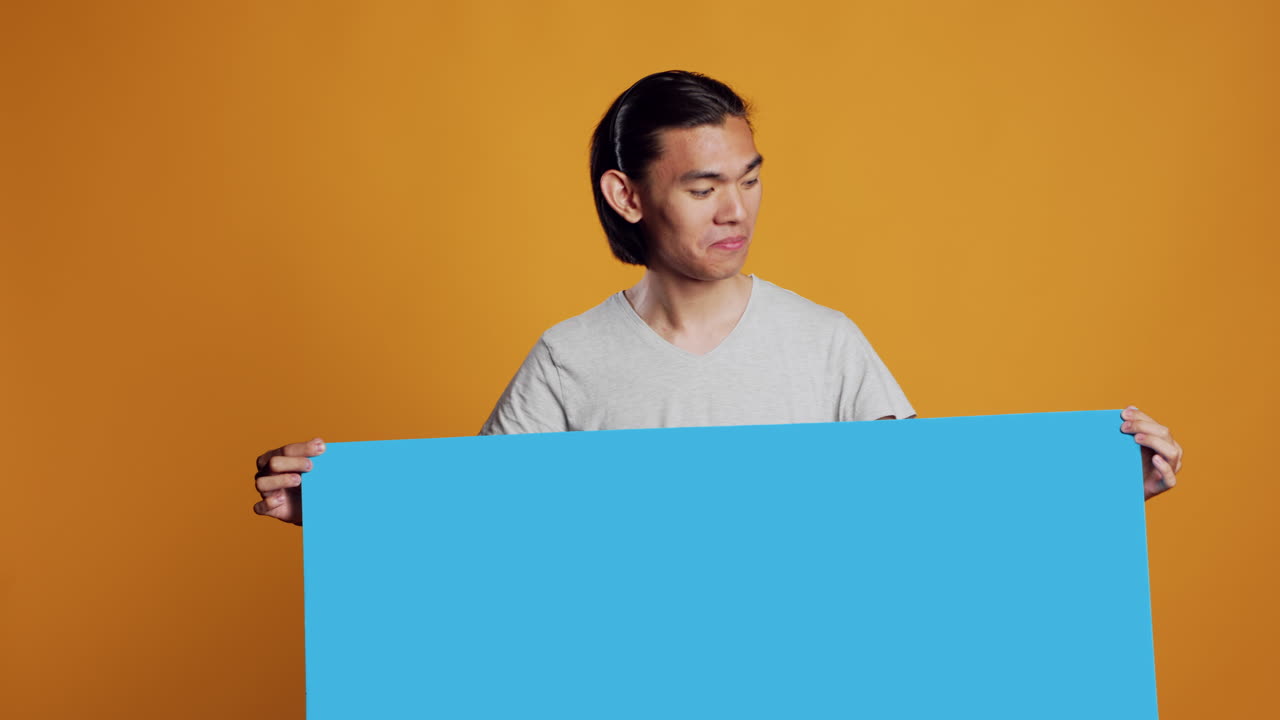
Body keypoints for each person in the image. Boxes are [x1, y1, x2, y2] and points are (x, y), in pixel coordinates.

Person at [252, 71, 1183, 525]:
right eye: (703, 188)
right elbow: (481, 537)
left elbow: (932, 515)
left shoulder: (826, 344)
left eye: (749, 178)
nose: (735, 210)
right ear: (628, 195)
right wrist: (335, 514)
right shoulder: (568, 361)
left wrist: (1099, 491)